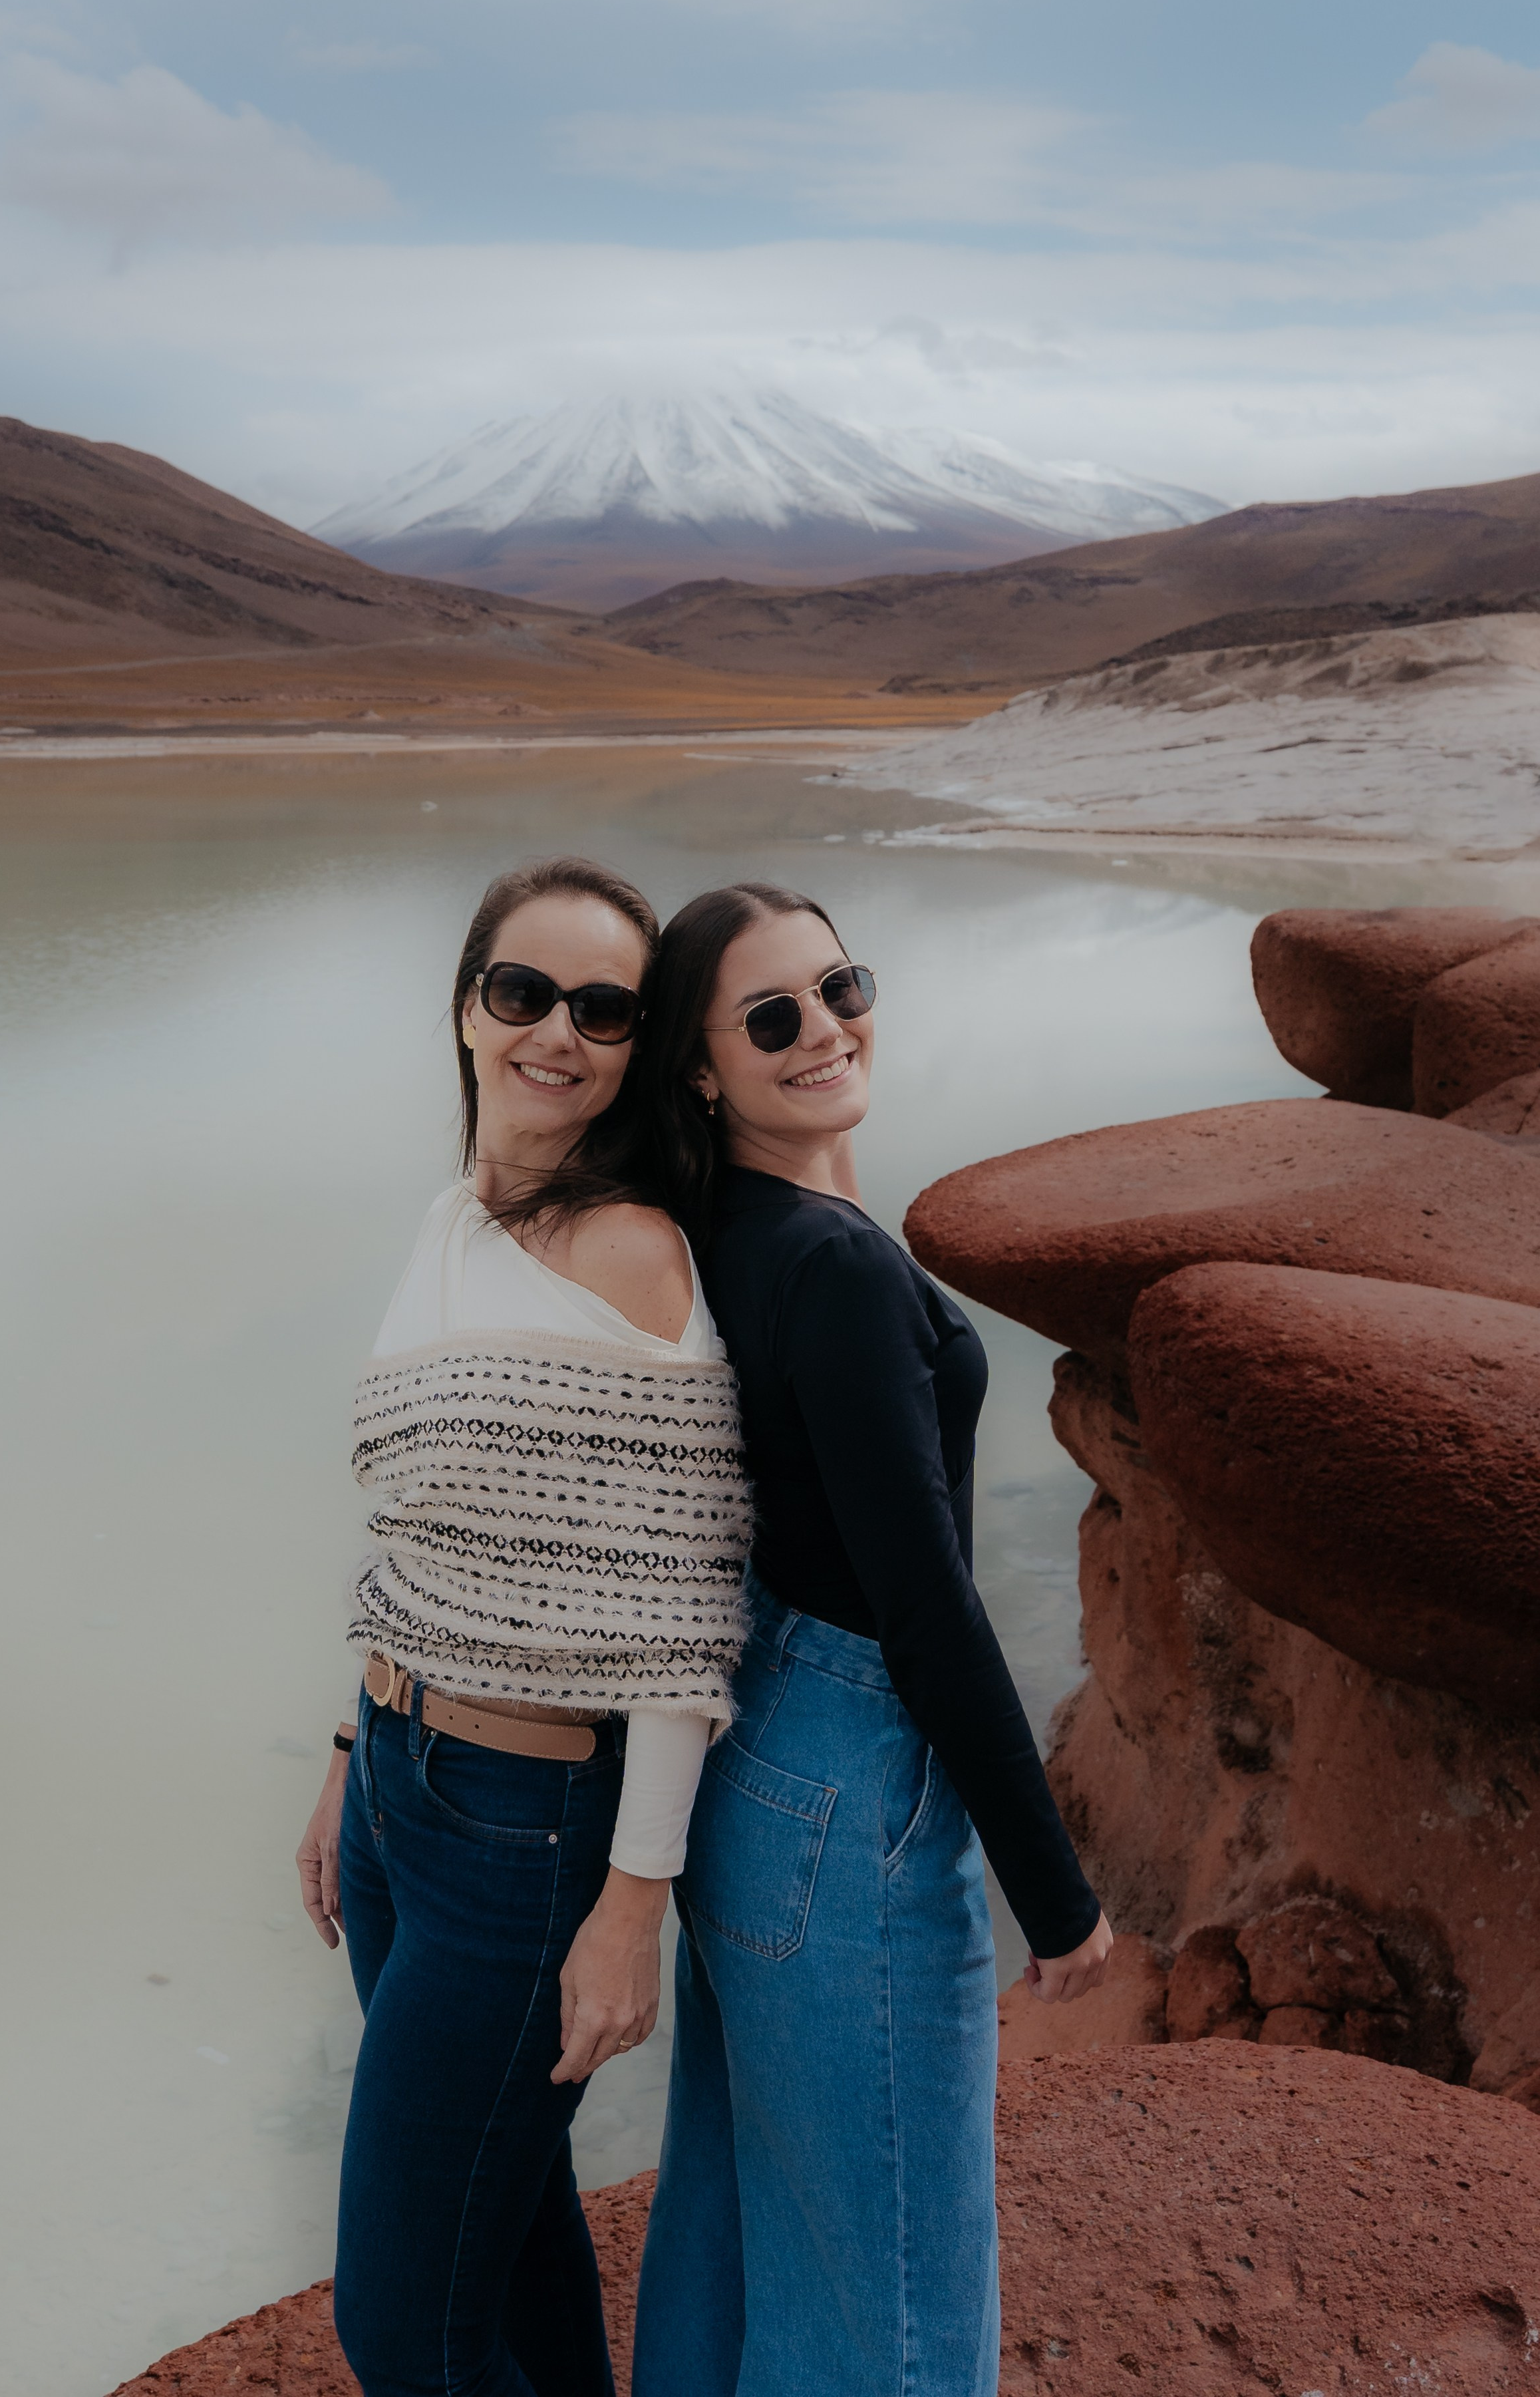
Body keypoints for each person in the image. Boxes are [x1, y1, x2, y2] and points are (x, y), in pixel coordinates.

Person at [632, 881, 1112, 2397]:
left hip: (749, 1753)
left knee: (733, 2222)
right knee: (892, 2308)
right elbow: (926, 1606)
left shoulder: (713, 1230)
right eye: (772, 1015)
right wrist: (1057, 1899)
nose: (826, 1028)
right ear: (701, 1066)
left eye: (841, 987)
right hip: (847, 1771)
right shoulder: (830, 1267)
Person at [294, 856, 752, 2397]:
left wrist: (632, 1902)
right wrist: (349, 1748)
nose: (558, 1029)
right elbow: (420, 1527)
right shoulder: (452, 1219)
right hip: (396, 1781)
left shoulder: (632, 1250)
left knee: (400, 2331)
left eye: (603, 1008)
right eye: (523, 990)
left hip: (524, 1828)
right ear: (467, 1010)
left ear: (636, 1046)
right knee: (510, 2230)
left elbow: (680, 1618)